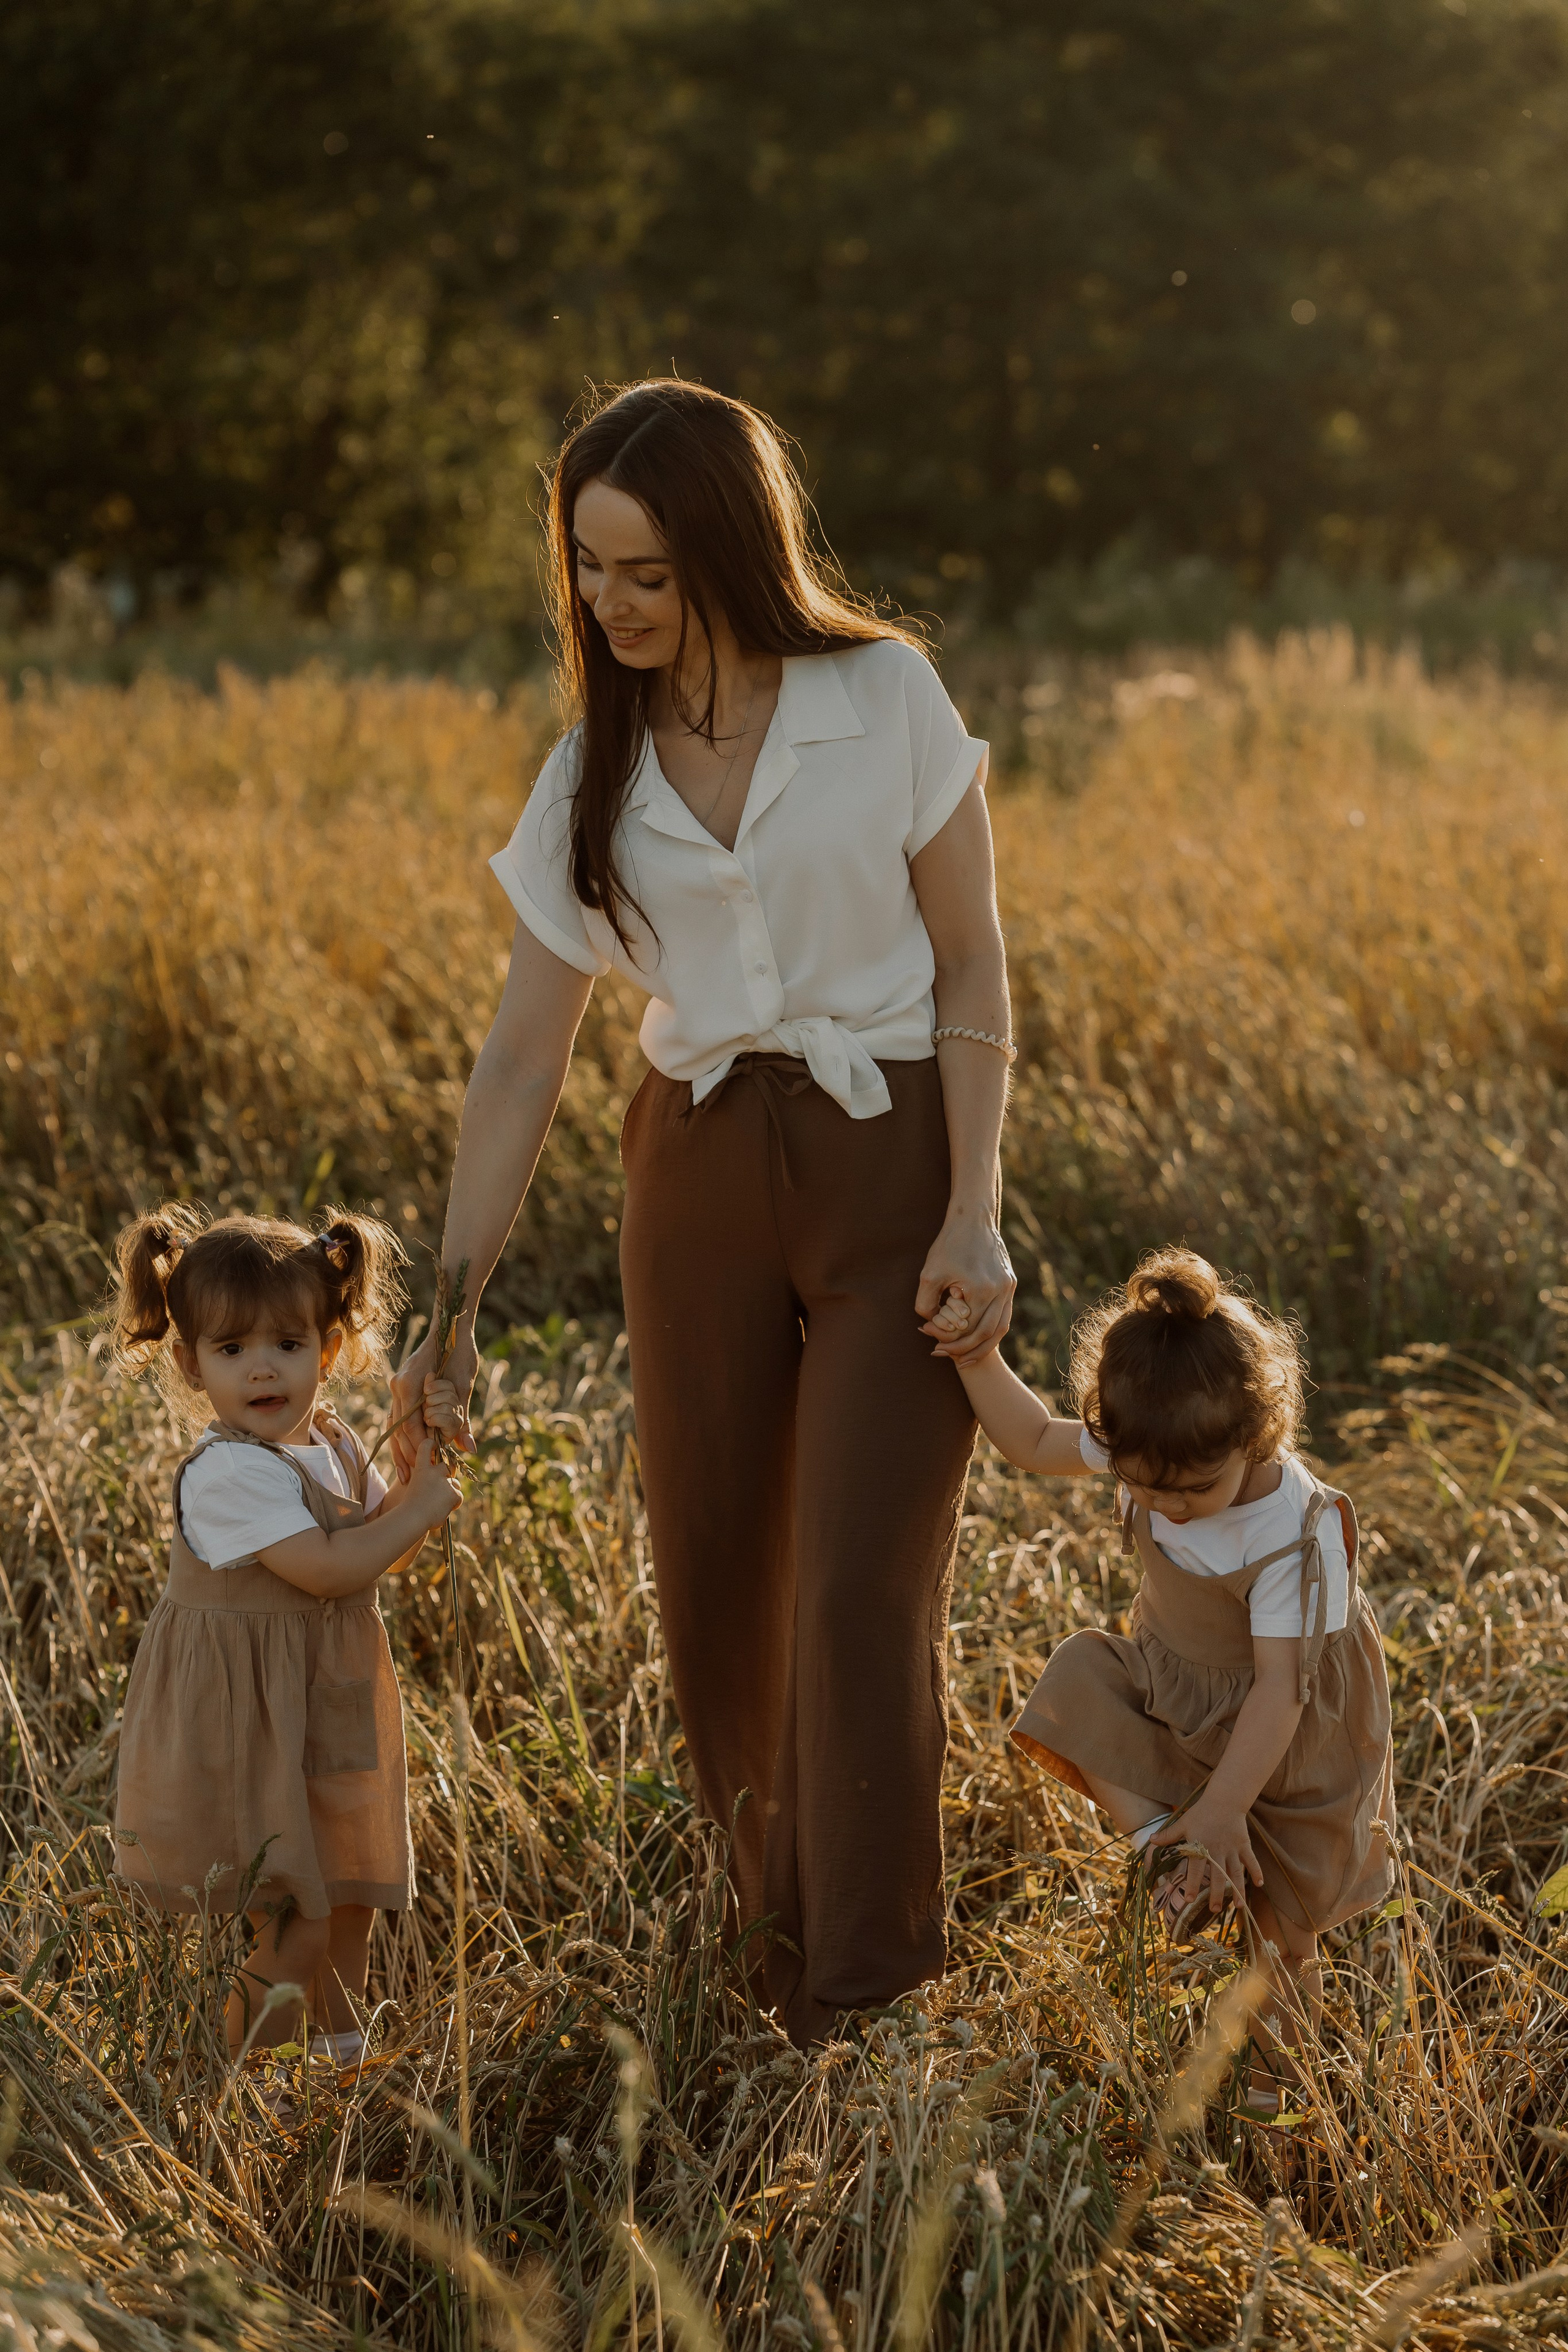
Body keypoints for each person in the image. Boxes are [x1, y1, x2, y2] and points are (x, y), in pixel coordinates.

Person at [392, 379, 1014, 2046]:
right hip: (696, 1175)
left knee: (857, 1589)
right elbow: (523, 1057)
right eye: (589, 568)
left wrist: (978, 1211)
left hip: (890, 1169)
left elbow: (971, 965)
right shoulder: (592, 765)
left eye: (646, 568)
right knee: (718, 1588)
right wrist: (444, 1320)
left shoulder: (883, 696)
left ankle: (869, 2000)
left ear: (733, 547)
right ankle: (773, 1960)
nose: (611, 602)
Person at [927, 1247, 1395, 2117]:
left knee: (1281, 1944)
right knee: (1078, 1676)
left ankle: (1278, 2106)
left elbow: (1281, 1692)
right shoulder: (1156, 1440)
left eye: (1191, 1492)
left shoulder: (1291, 1531)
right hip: (1184, 1698)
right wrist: (975, 1355)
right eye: (1146, 1488)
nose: (1169, 1508)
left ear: (1257, 1437)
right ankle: (1168, 1852)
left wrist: (1229, 1809)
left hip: (1283, 1741)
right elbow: (1029, 1440)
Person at [110, 1205, 462, 2065]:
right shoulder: (228, 1470)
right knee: (293, 1921)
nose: (263, 1369)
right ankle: (244, 2099)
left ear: (330, 1349)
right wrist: (416, 1507)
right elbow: (333, 1568)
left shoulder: (334, 1441)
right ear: (192, 1366)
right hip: (248, 1722)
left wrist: (420, 1466)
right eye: (232, 1351)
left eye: (288, 1345)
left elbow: (387, 1551)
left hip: (325, 1701)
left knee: (347, 1900)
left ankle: (342, 2073)